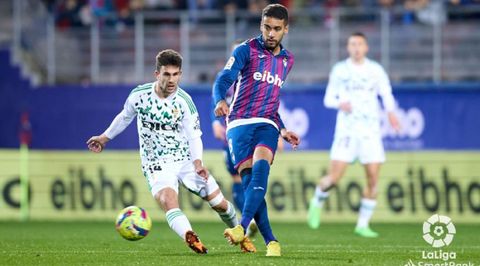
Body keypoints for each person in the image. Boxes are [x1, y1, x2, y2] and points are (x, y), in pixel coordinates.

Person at [86, 49, 255, 254]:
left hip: (184, 159)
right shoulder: (140, 96)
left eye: (176, 74)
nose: (172, 79)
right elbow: (124, 117)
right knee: (168, 199)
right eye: (167, 74)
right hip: (155, 163)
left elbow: (194, 137)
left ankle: (241, 235)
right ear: (157, 74)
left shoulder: (184, 102)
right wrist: (104, 138)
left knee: (219, 204)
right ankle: (190, 236)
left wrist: (198, 162)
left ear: (180, 75)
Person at [212, 4, 300, 257]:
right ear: (261, 26)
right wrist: (220, 100)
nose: (271, 33)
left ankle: (241, 226)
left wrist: (282, 130)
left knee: (261, 171)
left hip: (268, 123)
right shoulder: (245, 50)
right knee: (251, 182)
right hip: (239, 122)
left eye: (277, 29)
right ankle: (271, 241)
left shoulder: (287, 60)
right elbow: (223, 79)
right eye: (267, 27)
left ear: (285, 29)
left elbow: (271, 100)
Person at [307, 32, 401, 238]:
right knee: (334, 178)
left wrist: (392, 114)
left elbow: (386, 93)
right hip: (347, 132)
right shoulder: (340, 70)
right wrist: (340, 103)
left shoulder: (376, 70)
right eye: (352, 44)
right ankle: (317, 200)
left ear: (366, 47)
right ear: (348, 48)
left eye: (360, 44)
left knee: (373, 180)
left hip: (370, 132)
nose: (356, 47)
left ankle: (362, 225)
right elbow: (328, 99)